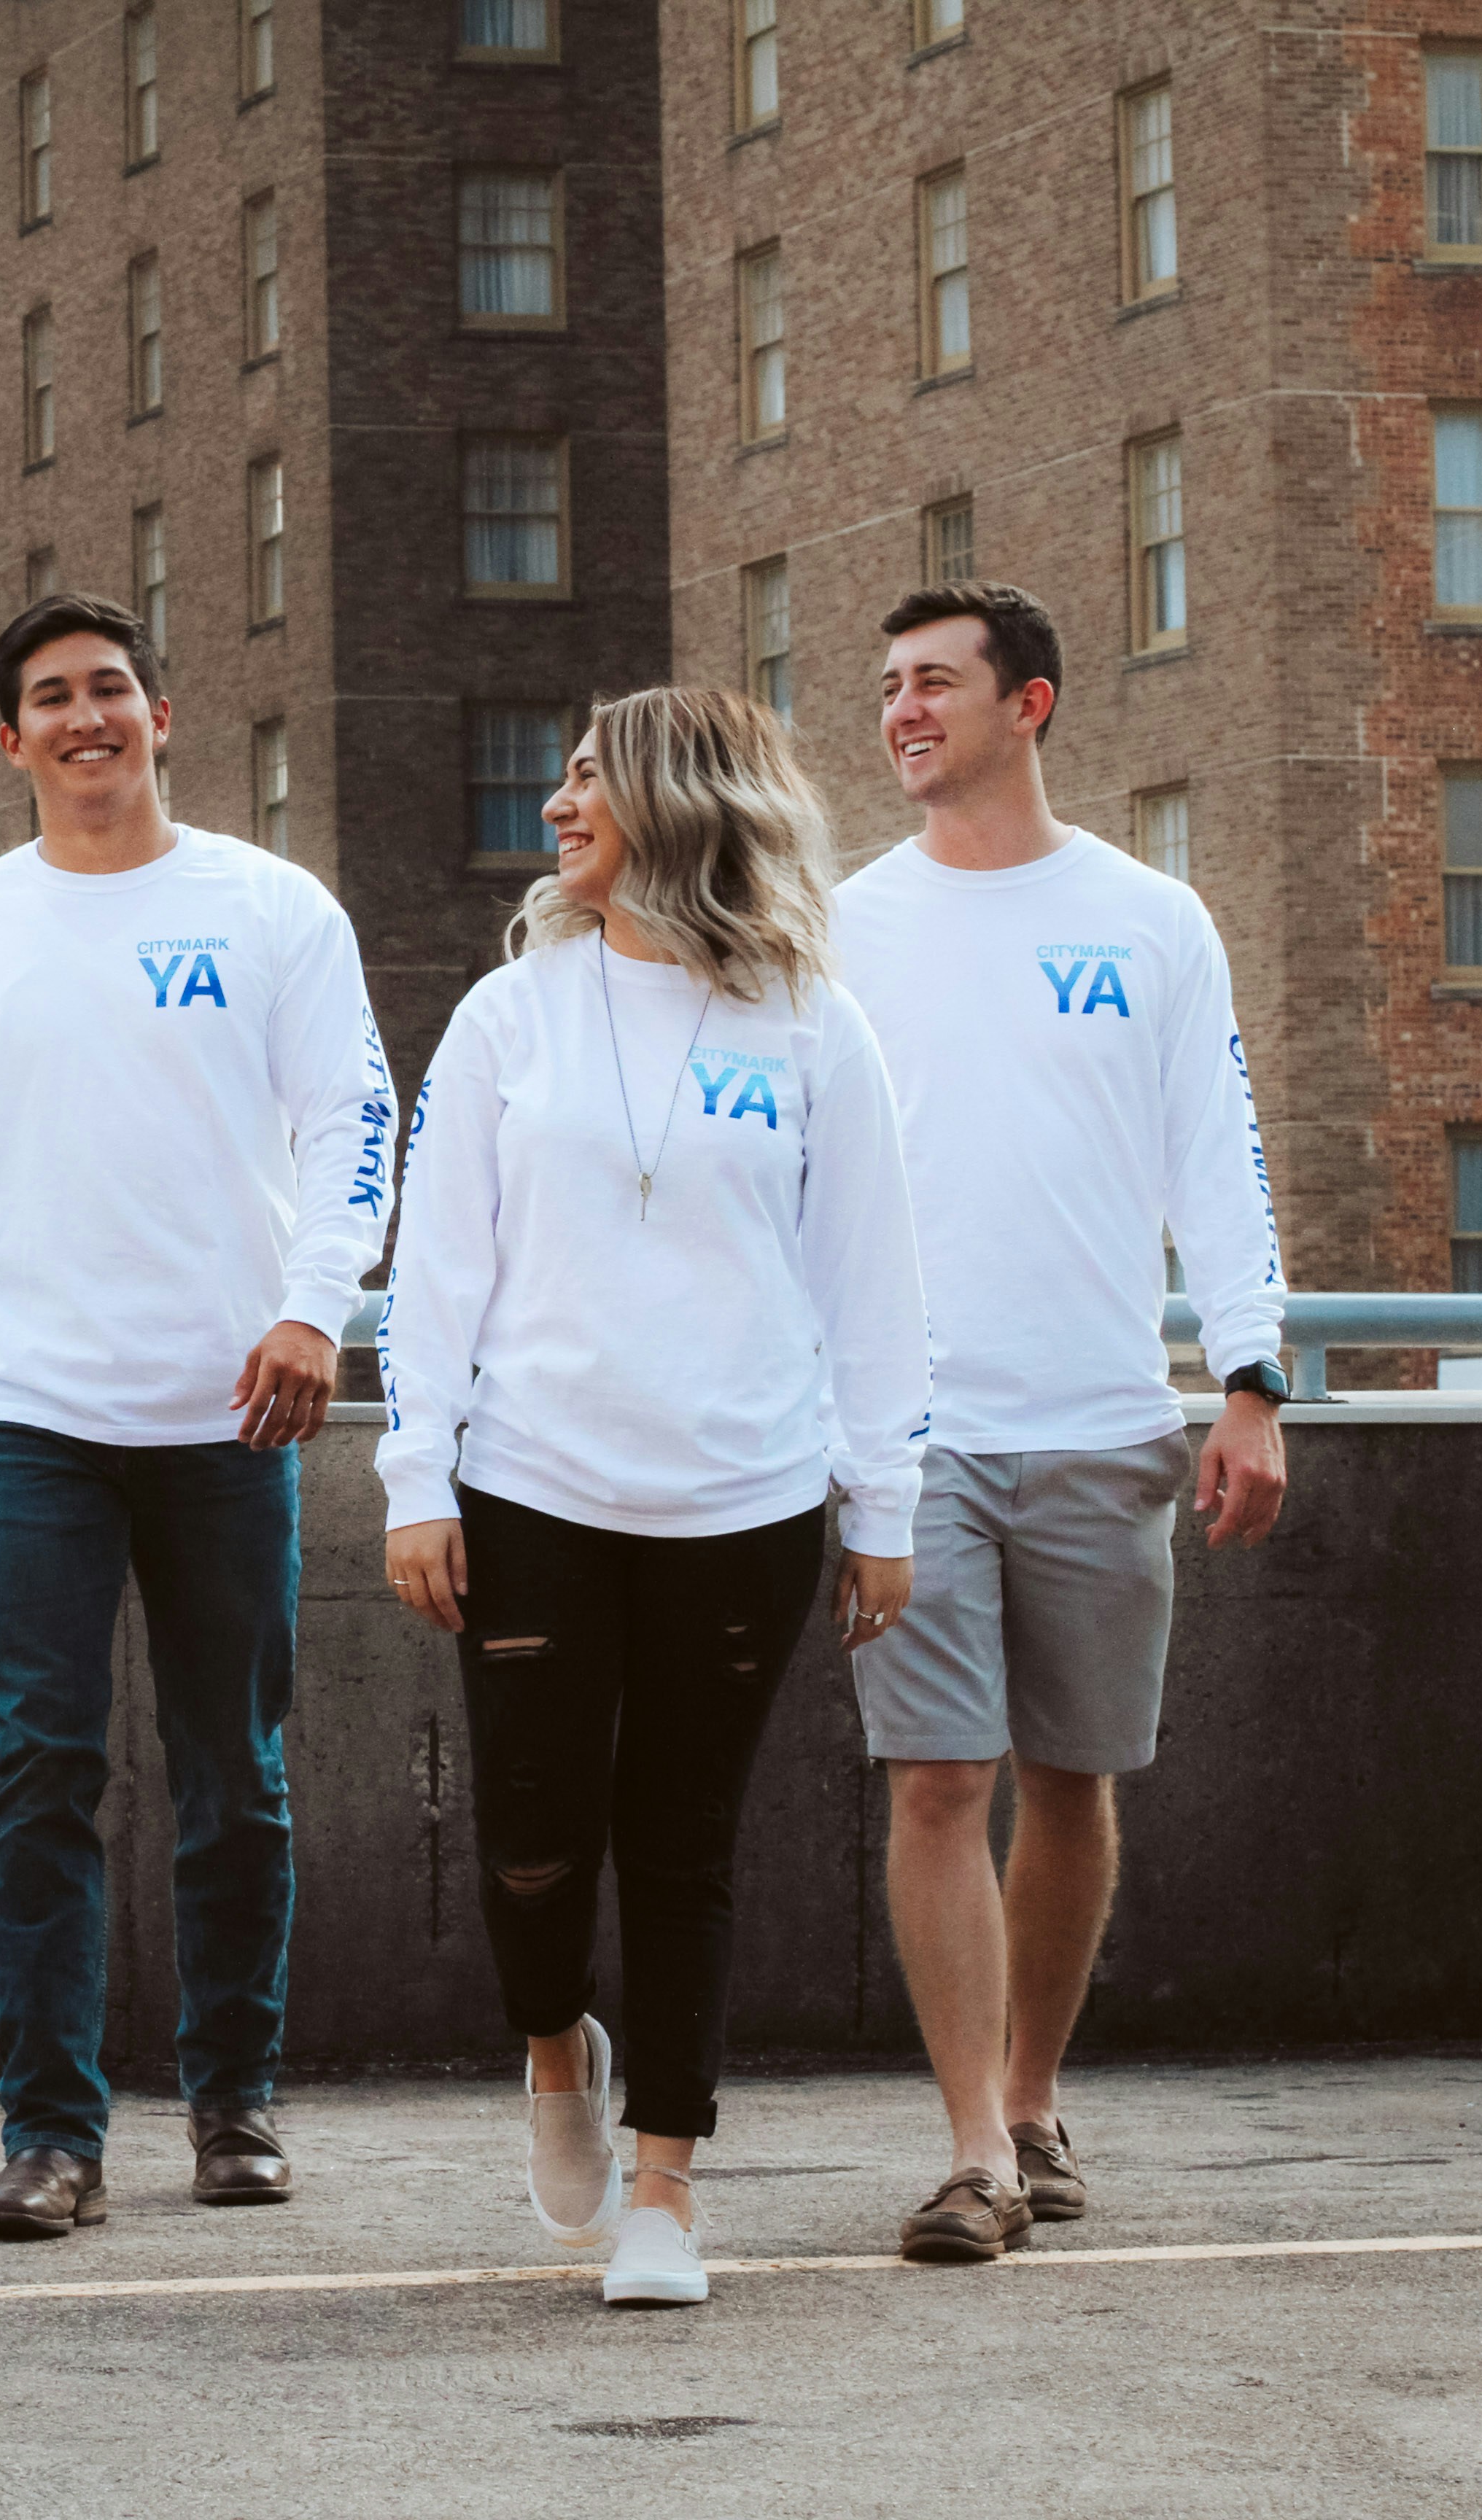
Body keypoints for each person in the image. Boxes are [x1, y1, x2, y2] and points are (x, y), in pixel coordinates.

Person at [0, 591, 397, 2238]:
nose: (86, 718)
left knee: (234, 1776)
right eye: (50, 698)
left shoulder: (272, 908)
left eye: (112, 689)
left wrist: (315, 1302)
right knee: (40, 1773)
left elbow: (354, 1114)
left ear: (163, 714)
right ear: (10, 739)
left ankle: (235, 2107)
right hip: (28, 1415)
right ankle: (52, 2137)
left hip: (232, 1411)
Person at [376, 685, 929, 2309]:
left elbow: (874, 1278)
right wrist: (420, 1478)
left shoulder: (812, 1019)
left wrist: (878, 1503)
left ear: (678, 802)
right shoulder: (512, 1015)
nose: (559, 806)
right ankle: (559, 2051)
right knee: (534, 1845)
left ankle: (670, 2193)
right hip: (532, 1485)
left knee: (684, 1849)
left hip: (745, 1501)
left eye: (588, 778)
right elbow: (436, 1272)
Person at [834, 582, 1290, 2266]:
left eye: (935, 682)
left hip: (1106, 1419)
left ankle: (1032, 2099)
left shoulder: (1151, 919)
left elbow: (1215, 1157)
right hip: (911, 1437)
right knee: (937, 1776)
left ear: (1027, 705)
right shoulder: (841, 926)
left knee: (1073, 1781)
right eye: (889, 686)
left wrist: (1250, 1377)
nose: (902, 711)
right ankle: (972, 2157)